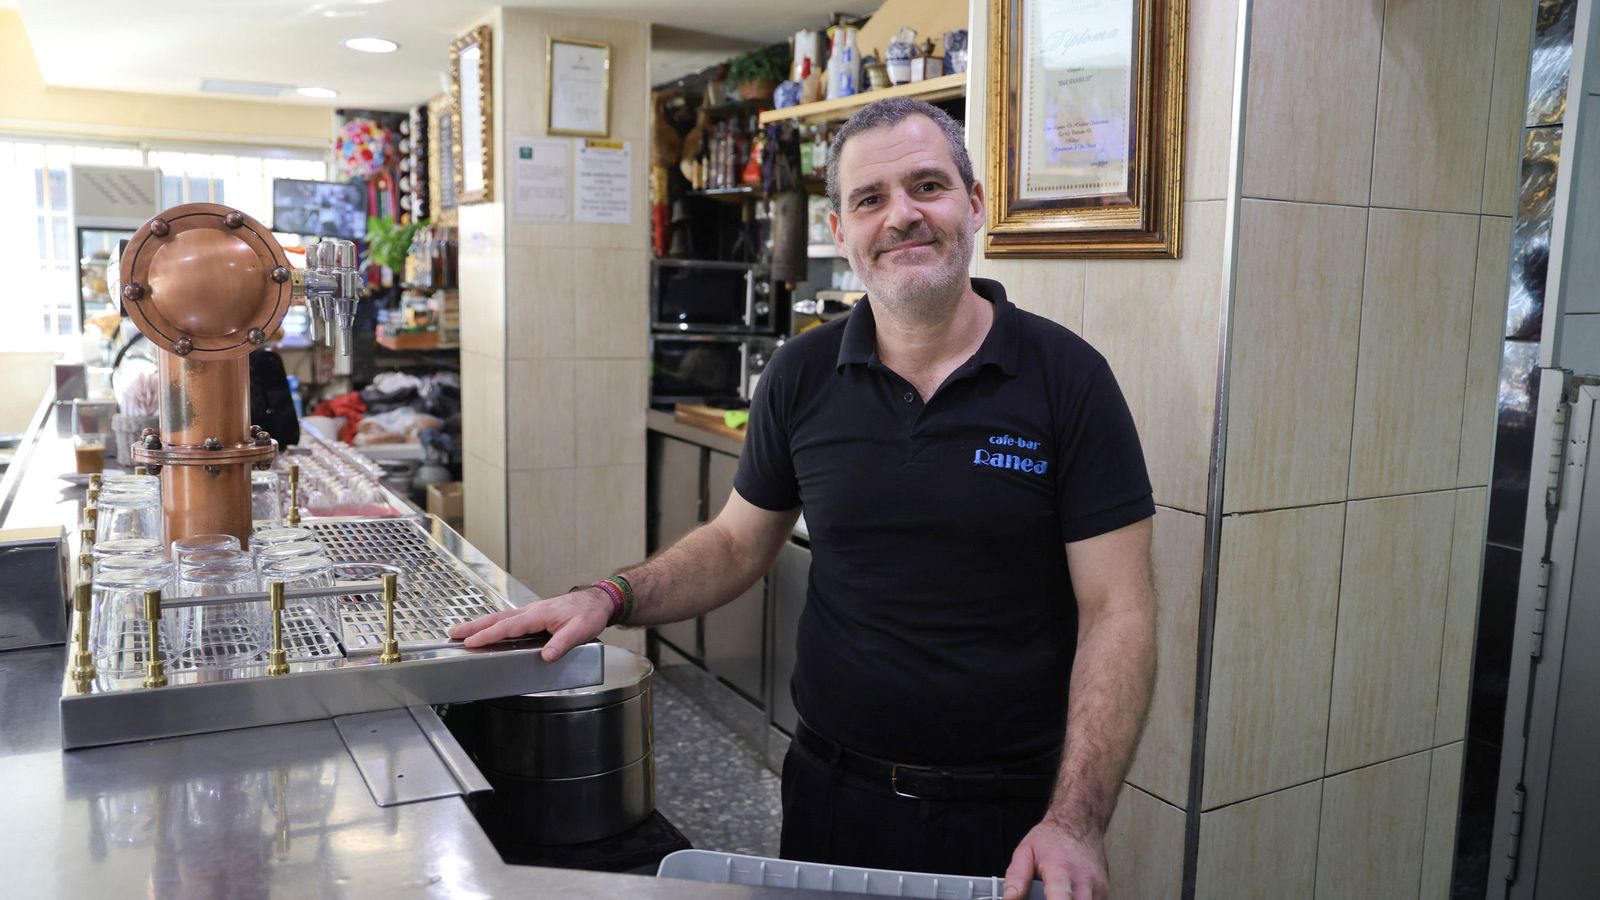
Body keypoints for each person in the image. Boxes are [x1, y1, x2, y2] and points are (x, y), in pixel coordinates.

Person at [450, 98, 1157, 900]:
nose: (902, 217)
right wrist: (609, 596)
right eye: (871, 199)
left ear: (977, 203)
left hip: (1008, 814)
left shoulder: (1069, 380)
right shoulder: (802, 373)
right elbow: (735, 543)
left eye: (928, 185)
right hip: (830, 793)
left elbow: (1118, 611)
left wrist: (1077, 818)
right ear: (840, 228)